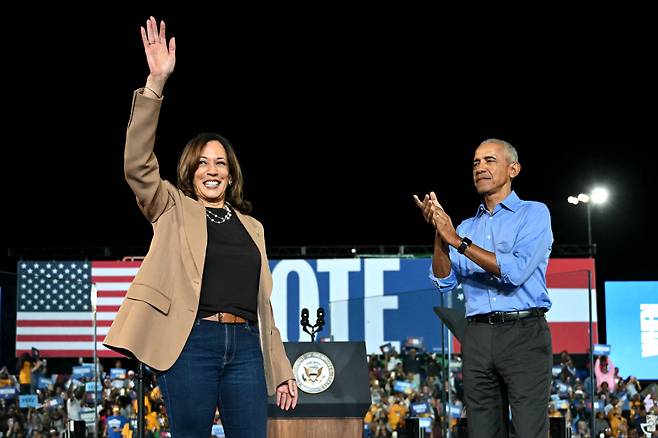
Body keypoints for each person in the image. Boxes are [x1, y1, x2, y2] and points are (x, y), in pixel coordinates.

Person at [103, 16, 297, 437]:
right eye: (204, 162)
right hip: (190, 344)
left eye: (221, 163)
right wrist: (156, 83)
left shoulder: (253, 226)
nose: (213, 170)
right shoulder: (172, 207)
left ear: (231, 174)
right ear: (190, 171)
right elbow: (136, 165)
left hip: (246, 348)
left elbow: (265, 309)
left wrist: (280, 369)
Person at [414, 138, 553, 437]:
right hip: (477, 335)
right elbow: (443, 281)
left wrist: (457, 242)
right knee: (482, 431)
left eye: (490, 160)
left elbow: (515, 271)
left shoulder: (534, 213)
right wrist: (440, 235)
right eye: (476, 162)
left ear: (513, 169)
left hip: (524, 334)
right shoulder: (464, 227)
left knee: (529, 430)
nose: (480, 168)